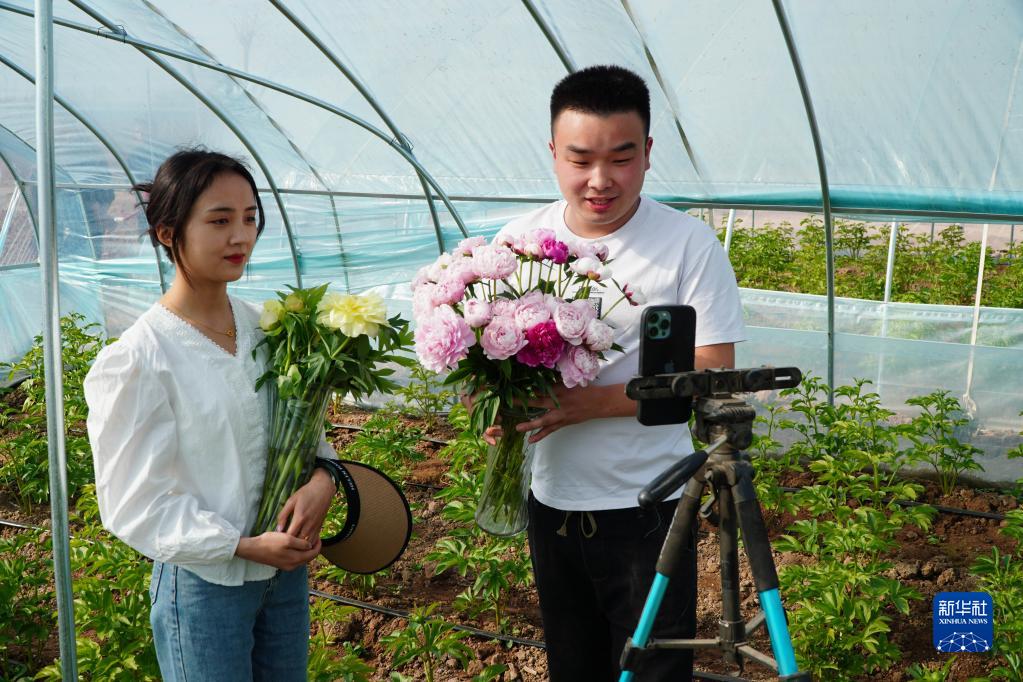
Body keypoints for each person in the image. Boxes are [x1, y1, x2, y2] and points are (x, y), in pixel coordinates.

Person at [492, 65, 747, 680]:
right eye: (580, 159)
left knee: (652, 669)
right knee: (571, 664)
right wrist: (496, 404)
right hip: (550, 501)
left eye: (621, 158)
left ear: (649, 154)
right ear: (553, 152)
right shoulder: (519, 240)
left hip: (650, 509)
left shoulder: (687, 246)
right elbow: (494, 355)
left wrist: (587, 403)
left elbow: (713, 368)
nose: (600, 181)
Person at [84, 149, 339, 681]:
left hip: (284, 578)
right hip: (205, 587)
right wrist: (242, 546)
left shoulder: (269, 331)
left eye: (250, 219)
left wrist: (323, 480)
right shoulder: (141, 357)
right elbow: (133, 501)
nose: (240, 236)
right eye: (220, 221)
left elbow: (308, 438)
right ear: (167, 233)